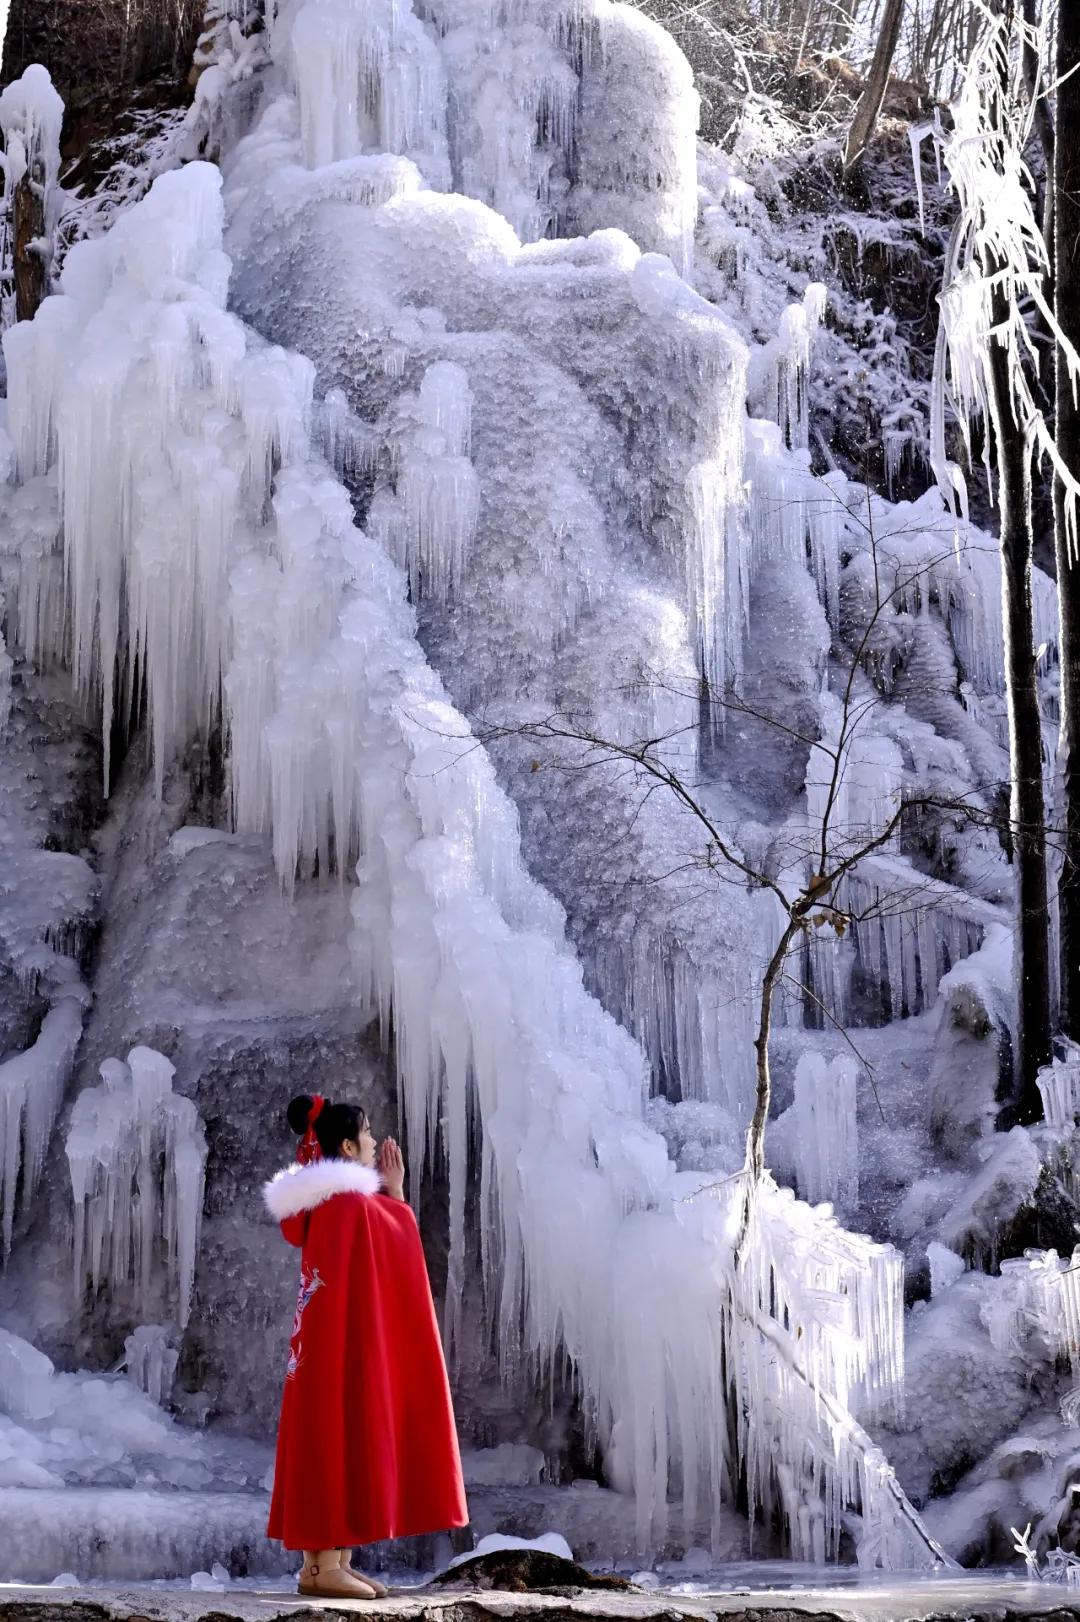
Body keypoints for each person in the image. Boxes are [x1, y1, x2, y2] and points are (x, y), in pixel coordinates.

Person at [265, 1093, 469, 1598]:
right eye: (368, 1134)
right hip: (338, 1348)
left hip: (322, 1348)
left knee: (332, 1436)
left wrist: (387, 1196)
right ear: (348, 1146)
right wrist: (396, 1195)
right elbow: (395, 1248)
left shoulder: (327, 1201)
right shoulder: (350, 1204)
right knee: (340, 1433)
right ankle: (324, 1564)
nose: (376, 1142)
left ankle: (326, 1565)